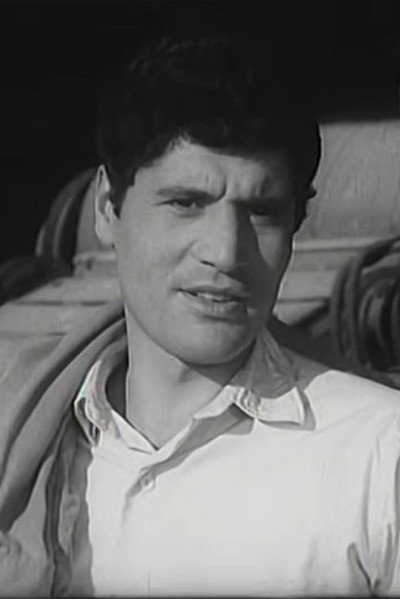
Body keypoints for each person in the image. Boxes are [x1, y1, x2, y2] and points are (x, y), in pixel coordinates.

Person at [1, 37, 400, 597]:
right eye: (186, 203)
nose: (226, 253)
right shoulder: (23, 439)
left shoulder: (379, 453)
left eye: (261, 212)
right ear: (107, 208)